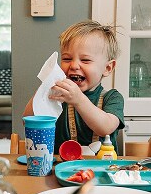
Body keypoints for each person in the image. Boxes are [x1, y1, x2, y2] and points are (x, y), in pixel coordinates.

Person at [23, 20, 125, 153]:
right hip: (60, 169)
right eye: (67, 59)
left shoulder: (112, 97)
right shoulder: (58, 95)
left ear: (107, 68)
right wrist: (45, 86)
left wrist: (78, 100)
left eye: (85, 60)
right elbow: (28, 121)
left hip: (101, 170)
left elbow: (105, 127)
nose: (74, 65)